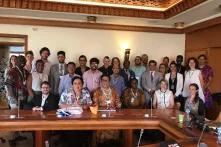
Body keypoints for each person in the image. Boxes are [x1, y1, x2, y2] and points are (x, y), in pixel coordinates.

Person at [93, 74, 121, 146]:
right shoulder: (97, 91)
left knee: (115, 127)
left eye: (106, 80)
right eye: (103, 80)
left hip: (113, 115)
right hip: (101, 115)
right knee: (102, 128)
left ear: (109, 81)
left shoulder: (114, 90)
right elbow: (95, 105)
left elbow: (118, 102)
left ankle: (113, 143)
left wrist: (118, 105)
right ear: (101, 81)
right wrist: (104, 108)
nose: (105, 82)